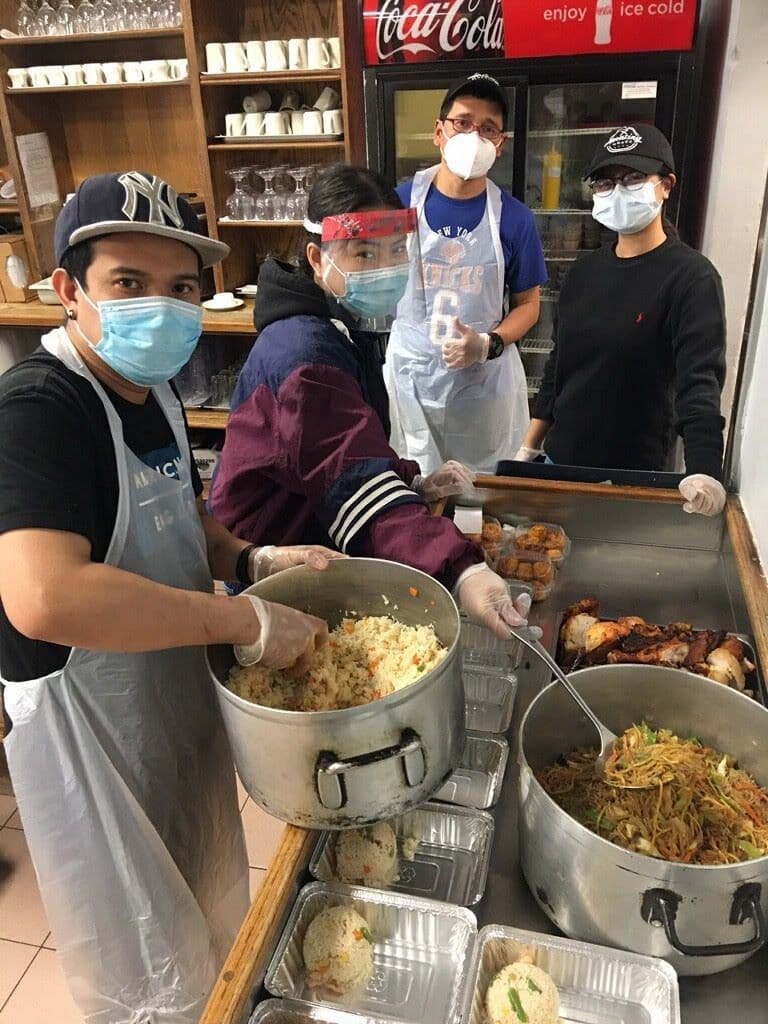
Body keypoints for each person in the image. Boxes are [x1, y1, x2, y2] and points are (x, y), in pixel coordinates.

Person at [0, 171, 341, 1023]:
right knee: (140, 971)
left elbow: (183, 514)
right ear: (70, 291)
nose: (163, 306)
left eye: (182, 287)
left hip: (167, 706)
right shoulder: (38, 410)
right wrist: (241, 618)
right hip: (93, 737)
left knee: (200, 917)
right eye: (130, 283)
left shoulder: (147, 388)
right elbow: (45, 596)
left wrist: (250, 558)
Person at [209, 163, 533, 638]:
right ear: (317, 259)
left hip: (312, 533)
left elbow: (346, 450)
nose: (385, 269)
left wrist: (410, 482)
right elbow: (350, 478)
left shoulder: (338, 323)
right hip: (276, 560)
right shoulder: (304, 352)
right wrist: (463, 569)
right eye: (363, 253)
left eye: (396, 251)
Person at [516, 125, 727, 516]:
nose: (617, 191)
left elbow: (699, 384)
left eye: (632, 179)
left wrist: (705, 470)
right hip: (560, 464)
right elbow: (559, 369)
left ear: (665, 185)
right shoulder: (583, 271)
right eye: (605, 183)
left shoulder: (691, 277)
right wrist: (528, 449)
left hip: (635, 480)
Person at [386, 73, 548, 475]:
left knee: (482, 497)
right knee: (414, 485)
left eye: (488, 128)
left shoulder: (514, 219)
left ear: (500, 144)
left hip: (482, 385)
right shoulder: (398, 203)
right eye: (462, 122)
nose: (474, 135)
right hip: (413, 378)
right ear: (439, 132)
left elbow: (529, 304)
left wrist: (489, 342)